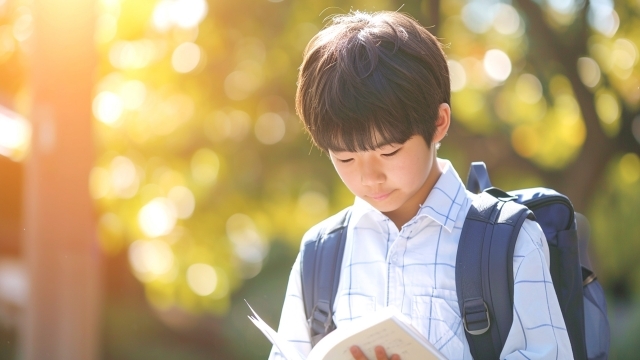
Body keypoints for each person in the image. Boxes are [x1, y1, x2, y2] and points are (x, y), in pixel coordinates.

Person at [269, 10, 573, 360]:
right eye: (345, 158)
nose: (370, 177)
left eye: (389, 151)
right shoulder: (320, 253)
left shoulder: (508, 240)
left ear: (438, 122)